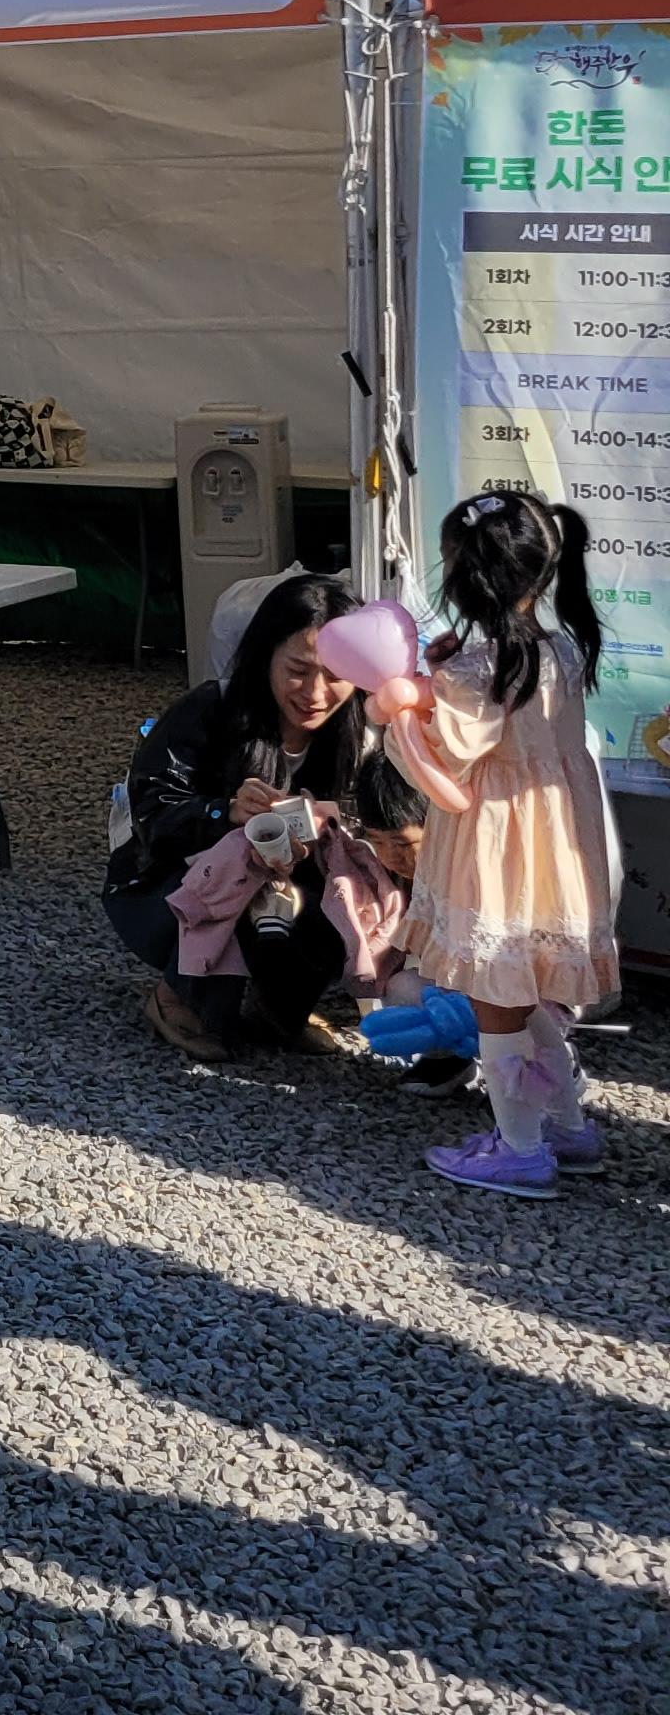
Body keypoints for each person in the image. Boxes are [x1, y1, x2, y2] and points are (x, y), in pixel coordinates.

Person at [359, 490, 619, 1196]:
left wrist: (399, 711)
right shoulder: (558, 651)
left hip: (497, 853)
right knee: (524, 990)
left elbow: (443, 759)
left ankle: (519, 1147)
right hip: (554, 851)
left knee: (496, 999)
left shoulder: (479, 669)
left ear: (466, 577)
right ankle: (566, 1126)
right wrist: (441, 679)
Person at [104, 574, 425, 1066]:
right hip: (162, 888)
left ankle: (279, 1007)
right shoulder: (209, 711)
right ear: (264, 655)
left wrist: (342, 830)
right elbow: (153, 816)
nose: (315, 693)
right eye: (298, 670)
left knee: (348, 888)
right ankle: (176, 996)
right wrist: (222, 812)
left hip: (291, 890)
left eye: (334, 675)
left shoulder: (367, 731)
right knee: (237, 862)